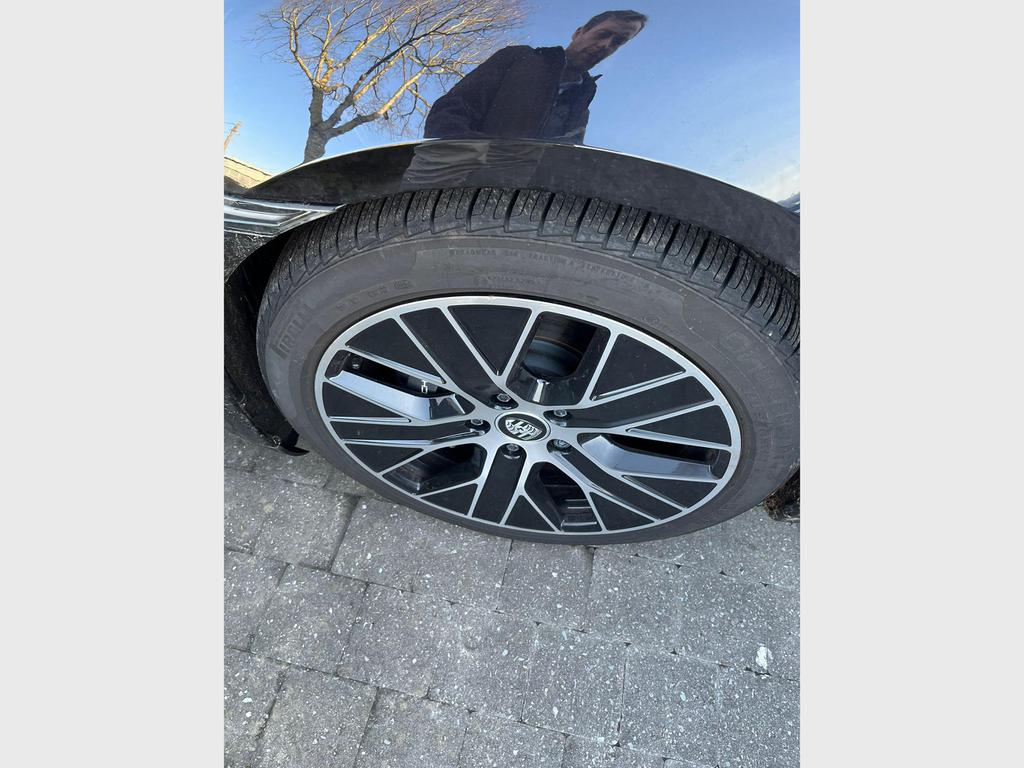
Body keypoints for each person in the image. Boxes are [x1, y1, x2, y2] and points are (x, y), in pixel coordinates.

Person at [424, 9, 647, 144]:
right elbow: (450, 111)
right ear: (579, 32)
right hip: (463, 184)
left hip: (526, 201)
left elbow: (567, 161)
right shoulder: (519, 58)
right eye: (603, 34)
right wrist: (481, 160)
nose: (606, 45)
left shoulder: (581, 104)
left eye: (618, 42)